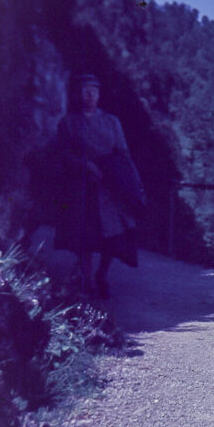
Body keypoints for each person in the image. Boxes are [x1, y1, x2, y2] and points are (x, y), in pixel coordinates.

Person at [55, 74, 145, 298]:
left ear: (99, 94)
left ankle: (101, 274)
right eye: (85, 90)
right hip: (82, 186)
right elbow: (63, 153)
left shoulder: (111, 122)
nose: (90, 95)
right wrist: (83, 165)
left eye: (94, 91)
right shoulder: (69, 122)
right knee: (85, 236)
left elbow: (123, 153)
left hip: (110, 186)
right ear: (78, 93)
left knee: (112, 236)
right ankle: (87, 281)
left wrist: (134, 182)